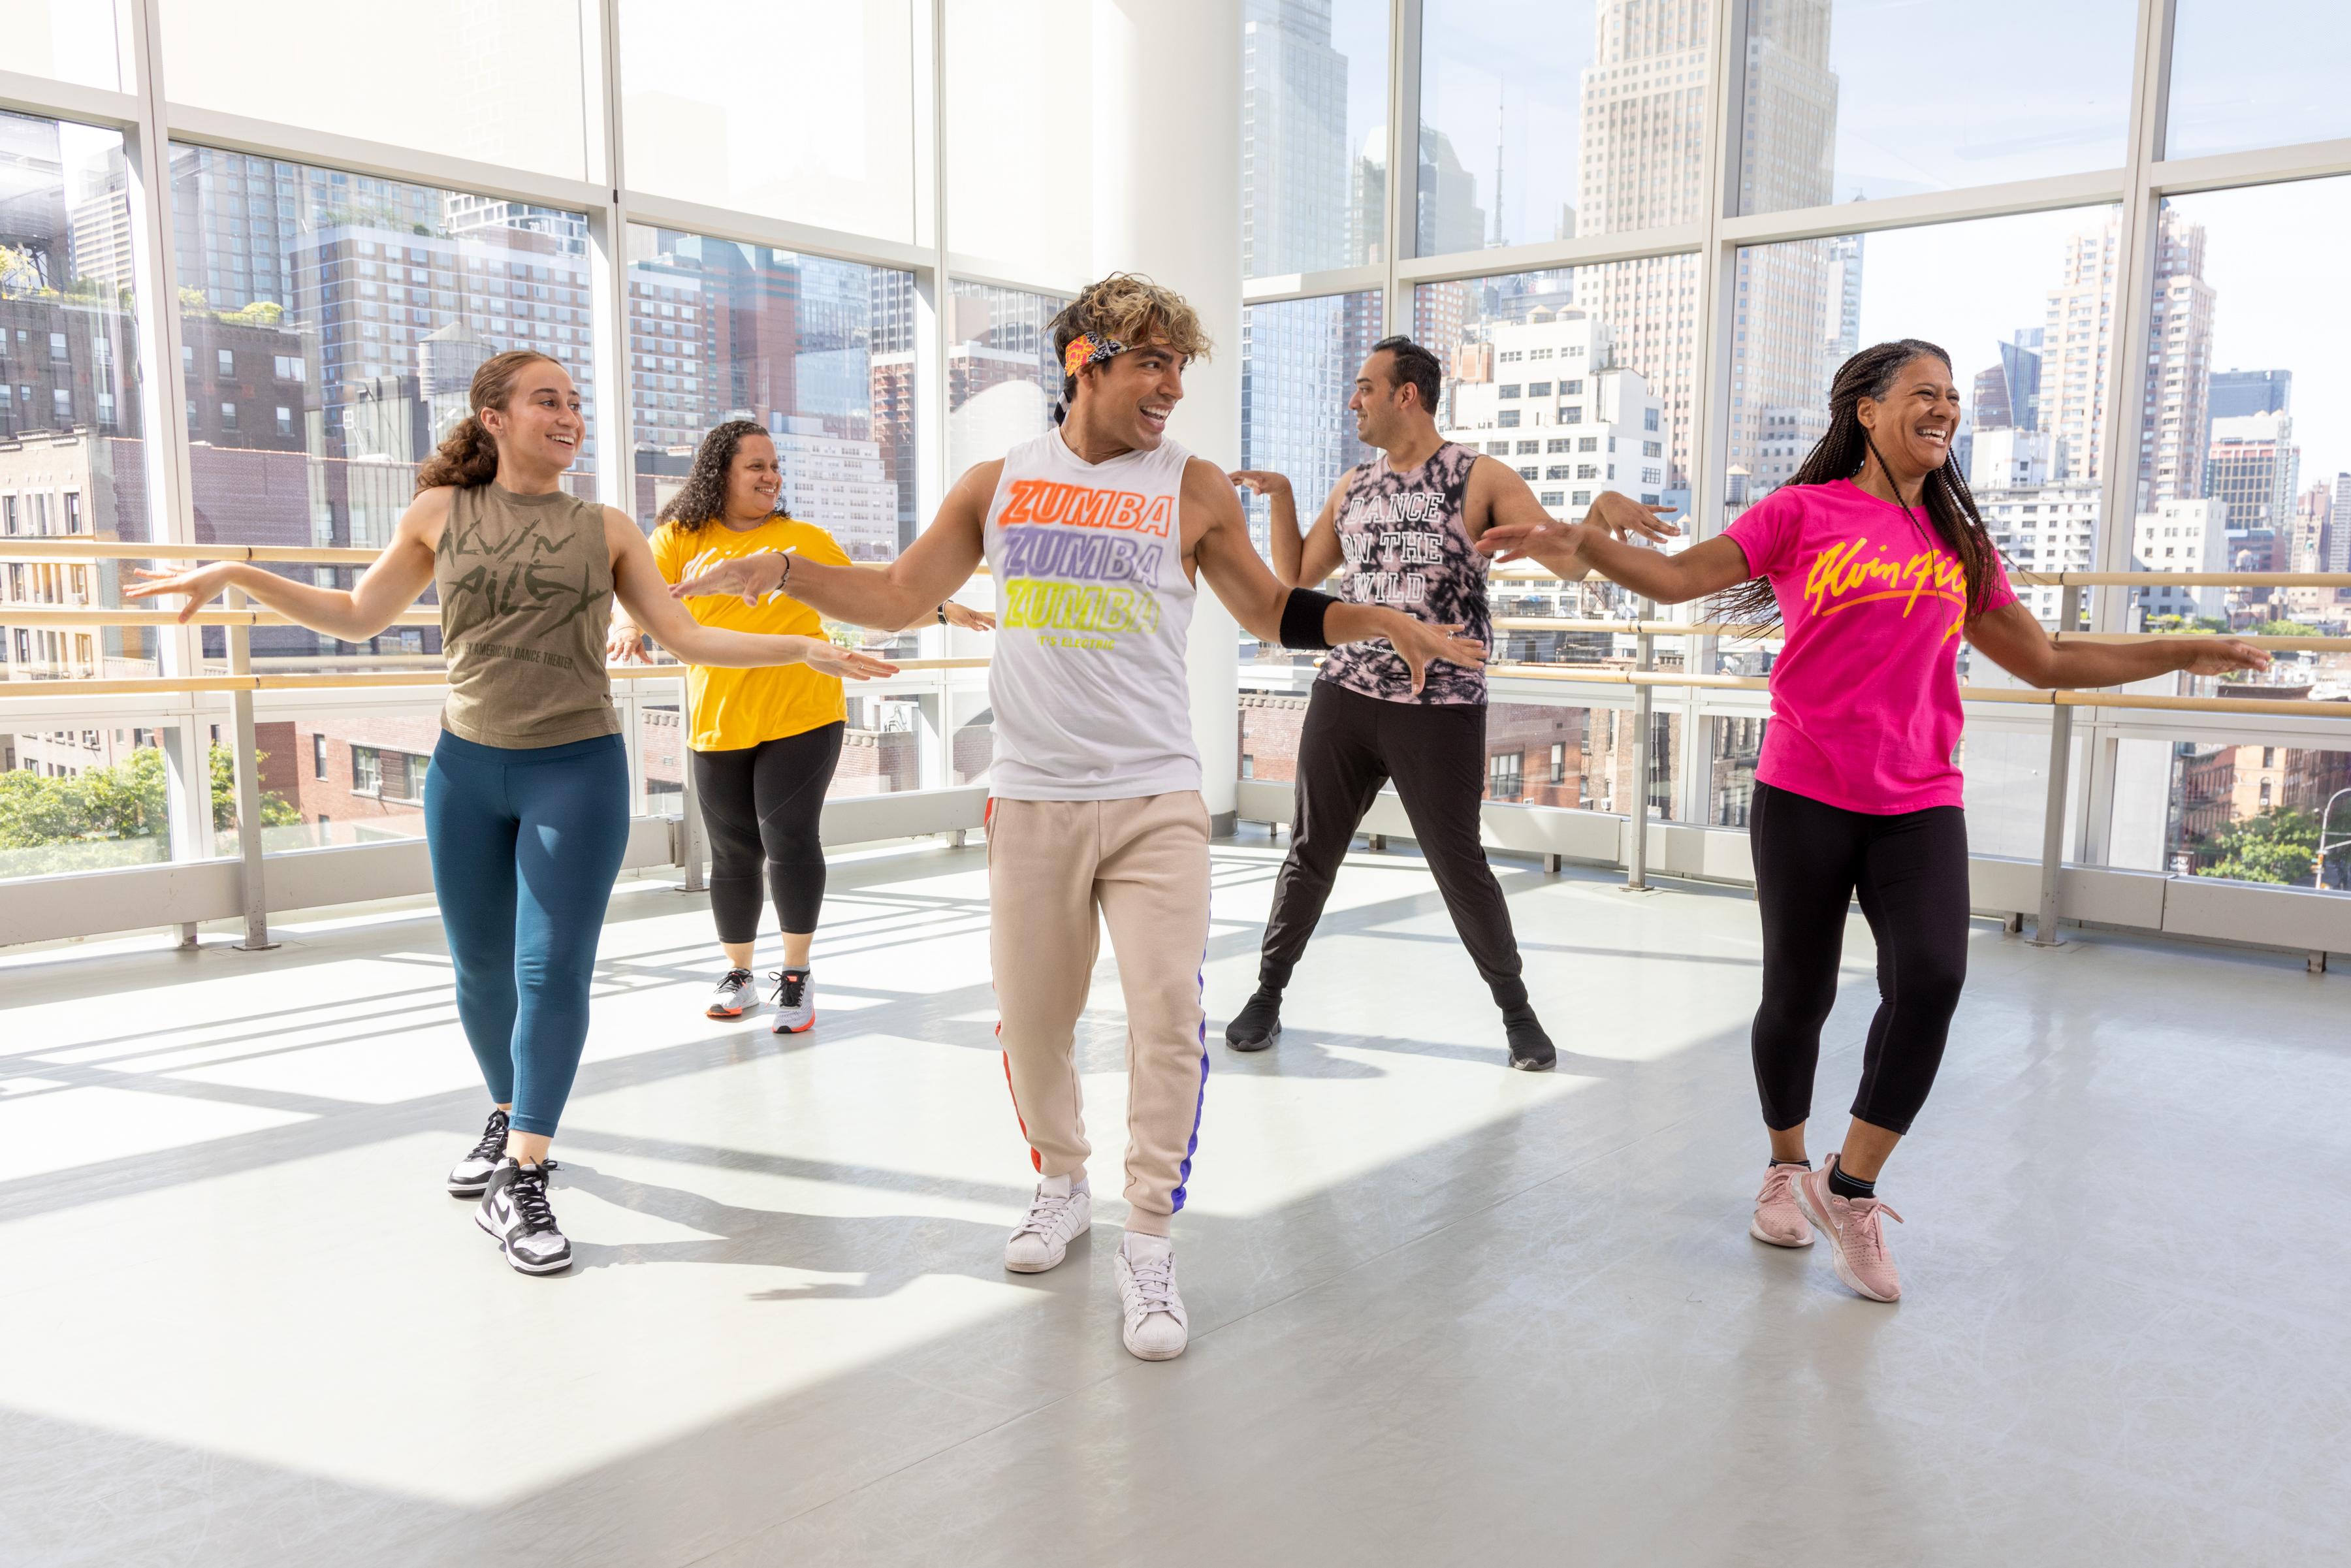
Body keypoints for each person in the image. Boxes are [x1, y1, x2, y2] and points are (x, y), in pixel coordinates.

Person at [666, 274, 1484, 1360]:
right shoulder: (996, 485)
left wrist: (1369, 619)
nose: (1171, 387)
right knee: (1035, 1021)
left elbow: (1264, 604)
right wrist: (781, 568)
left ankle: (1150, 1240)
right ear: (1082, 360)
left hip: (1155, 797)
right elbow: (902, 593)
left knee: (1162, 1015)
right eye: (1152, 362)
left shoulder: (1192, 486)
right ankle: (1061, 1182)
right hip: (1035, 797)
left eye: (1179, 366)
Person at [1478, 338, 2267, 1303]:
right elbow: (1682, 580)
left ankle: (1847, 1187)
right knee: (1797, 997)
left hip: (1919, 799)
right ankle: (1783, 1165)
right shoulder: (1801, 513)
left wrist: (2184, 649)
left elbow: (2050, 660)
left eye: (1950, 399)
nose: (1943, 410)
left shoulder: (1960, 546)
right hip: (1804, 789)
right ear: (1868, 410)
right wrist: (1588, 546)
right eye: (1923, 395)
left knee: (1932, 976)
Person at [126, 352, 897, 1275]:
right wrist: (236, 576)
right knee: (480, 970)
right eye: (548, 401)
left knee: (549, 967)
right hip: (464, 769)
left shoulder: (606, 528)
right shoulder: (439, 513)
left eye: (576, 402)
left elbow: (683, 634)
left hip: (574, 768)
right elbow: (359, 613)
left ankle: (525, 1170)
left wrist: (803, 649)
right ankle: (506, 1111)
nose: (569, 414)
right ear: (492, 417)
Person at [1225, 336, 1678, 1071]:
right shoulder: (1353, 488)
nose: (1354, 401)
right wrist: (1281, 497)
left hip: (1439, 703)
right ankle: (1268, 995)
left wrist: (1595, 513)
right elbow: (1297, 574)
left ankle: (1517, 1013)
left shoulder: (1479, 477)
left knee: (1459, 863)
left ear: (1409, 394)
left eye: (1366, 387)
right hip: (1347, 690)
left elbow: (1563, 560)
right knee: (1310, 853)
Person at [609, 419, 995, 1032]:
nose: (771, 477)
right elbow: (641, 597)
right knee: (733, 852)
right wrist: (629, 630)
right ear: (721, 473)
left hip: (805, 711)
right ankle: (739, 974)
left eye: (774, 465)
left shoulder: (801, 538)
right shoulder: (678, 536)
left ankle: (795, 974)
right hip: (719, 719)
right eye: (756, 466)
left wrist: (944, 609)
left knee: (787, 836)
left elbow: (872, 598)